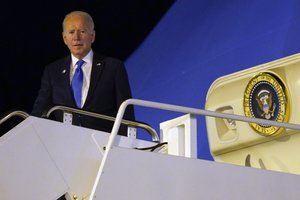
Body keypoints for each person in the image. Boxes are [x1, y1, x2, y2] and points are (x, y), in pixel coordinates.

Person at [31, 10, 134, 135]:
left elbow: (126, 114)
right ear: (64, 38)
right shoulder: (52, 71)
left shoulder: (113, 67)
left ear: (93, 36)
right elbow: (39, 112)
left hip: (102, 144)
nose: (76, 37)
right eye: (71, 32)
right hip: (63, 142)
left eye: (82, 31)